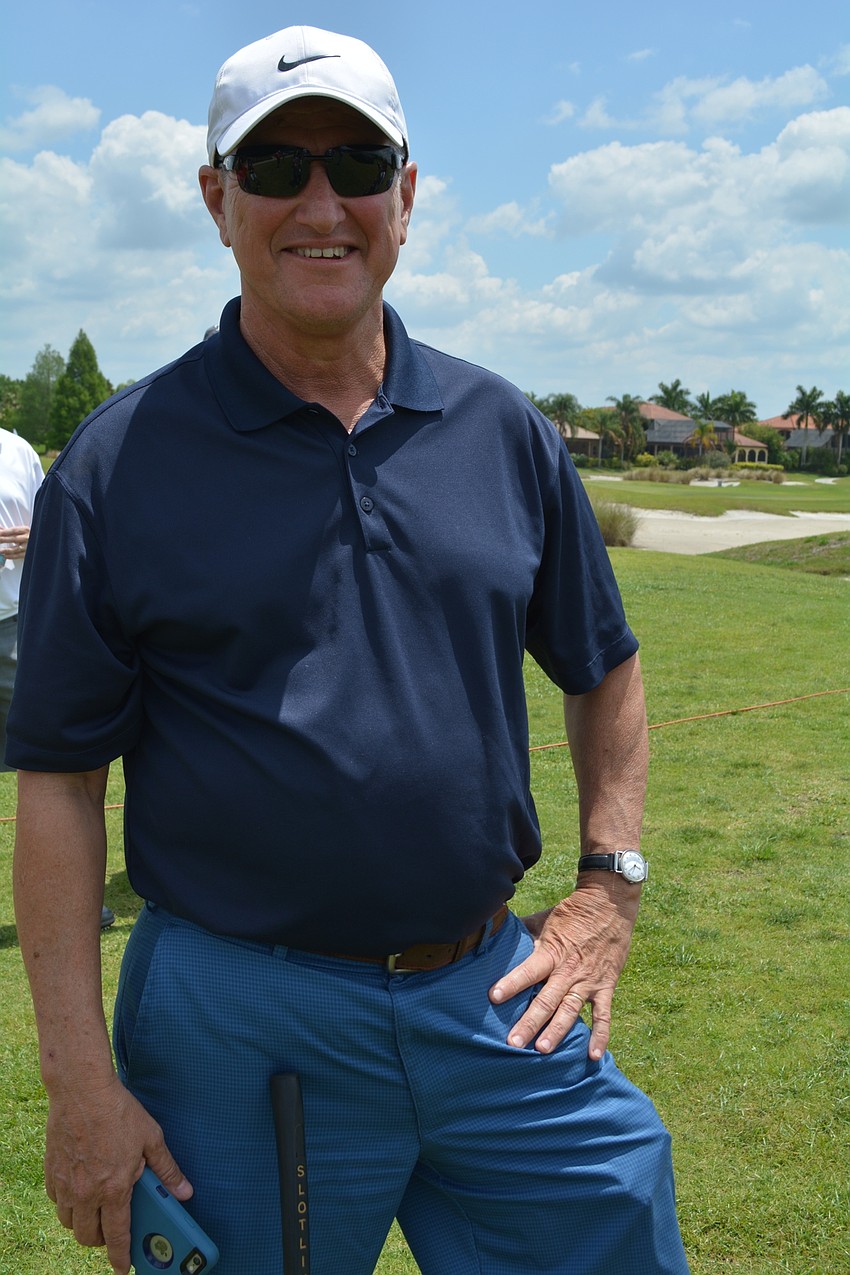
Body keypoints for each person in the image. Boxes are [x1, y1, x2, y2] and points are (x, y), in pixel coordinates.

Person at [10, 25, 689, 1275]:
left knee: (616, 1218)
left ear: (407, 197)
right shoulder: (115, 466)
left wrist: (606, 888)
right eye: (272, 169)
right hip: (238, 1009)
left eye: (357, 163)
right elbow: (59, 782)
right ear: (217, 201)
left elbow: (604, 664)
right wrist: (80, 1091)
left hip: (491, 989)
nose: (320, 203)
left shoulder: (504, 432)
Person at [0, 426, 43, 770]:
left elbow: (51, 521)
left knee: (26, 752)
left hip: (11, 631)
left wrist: (36, 537)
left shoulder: (19, 451)